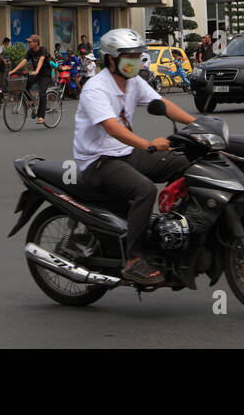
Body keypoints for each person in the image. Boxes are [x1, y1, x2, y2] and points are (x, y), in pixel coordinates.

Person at [75, 28, 199, 287]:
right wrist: (148, 145)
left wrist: (200, 123)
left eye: (137, 55)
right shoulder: (95, 88)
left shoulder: (134, 83)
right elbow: (112, 127)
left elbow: (163, 104)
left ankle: (171, 230)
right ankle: (133, 259)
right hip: (99, 160)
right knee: (144, 190)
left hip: (126, 153)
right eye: (129, 56)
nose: (136, 60)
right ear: (112, 59)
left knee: (186, 164)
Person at [12, 34, 54, 125]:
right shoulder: (30, 51)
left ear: (36, 43)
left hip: (45, 75)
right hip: (37, 74)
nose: (29, 43)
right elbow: (24, 61)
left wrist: (37, 70)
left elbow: (41, 60)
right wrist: (14, 70)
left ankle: (41, 117)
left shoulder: (43, 49)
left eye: (30, 42)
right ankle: (31, 101)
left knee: (42, 93)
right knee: (24, 84)